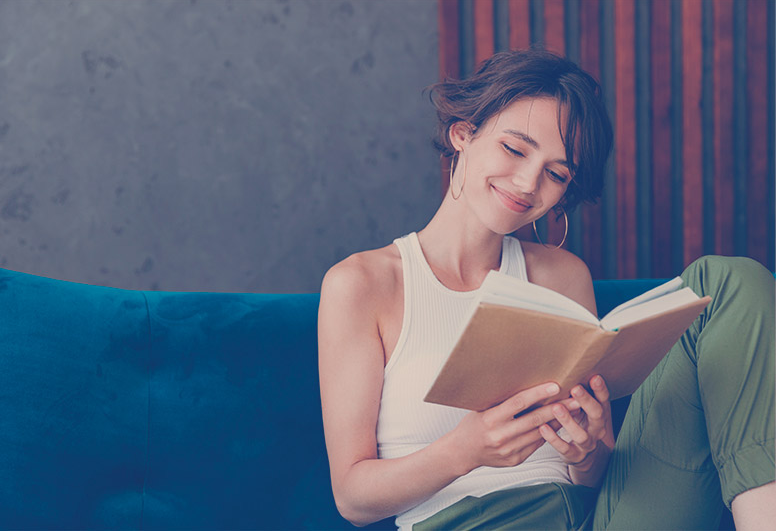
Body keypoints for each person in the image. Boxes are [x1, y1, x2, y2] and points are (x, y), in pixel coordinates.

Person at [318, 49, 775, 530]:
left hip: (593, 518)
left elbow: (594, 474)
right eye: (515, 149)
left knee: (728, 281)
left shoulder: (563, 276)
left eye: (557, 173)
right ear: (463, 134)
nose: (527, 182)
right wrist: (465, 451)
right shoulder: (363, 285)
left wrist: (586, 451)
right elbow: (352, 498)